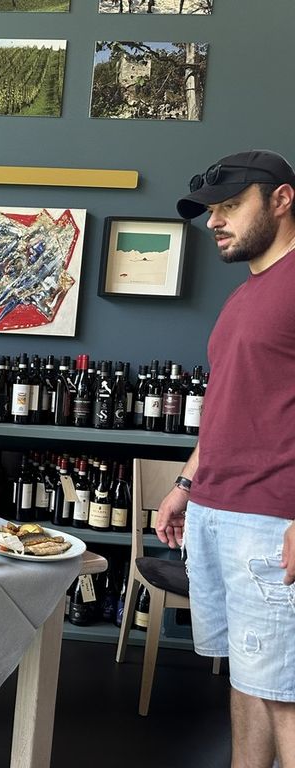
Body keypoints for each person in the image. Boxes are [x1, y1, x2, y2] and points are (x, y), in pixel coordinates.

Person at [157, 150, 295, 767]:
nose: (215, 221)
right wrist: (187, 484)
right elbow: (229, 405)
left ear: (282, 200)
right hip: (218, 510)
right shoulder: (247, 295)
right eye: (212, 210)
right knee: (249, 677)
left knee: (286, 694)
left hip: (271, 519)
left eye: (231, 206)